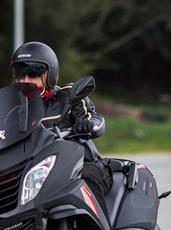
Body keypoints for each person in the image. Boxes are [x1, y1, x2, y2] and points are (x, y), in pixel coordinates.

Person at [9, 41, 112, 219]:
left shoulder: (69, 96)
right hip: (35, 175)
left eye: (33, 73)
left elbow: (95, 119)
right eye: (20, 73)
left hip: (79, 166)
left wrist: (87, 124)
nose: (25, 80)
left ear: (50, 75)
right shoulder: (13, 111)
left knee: (88, 179)